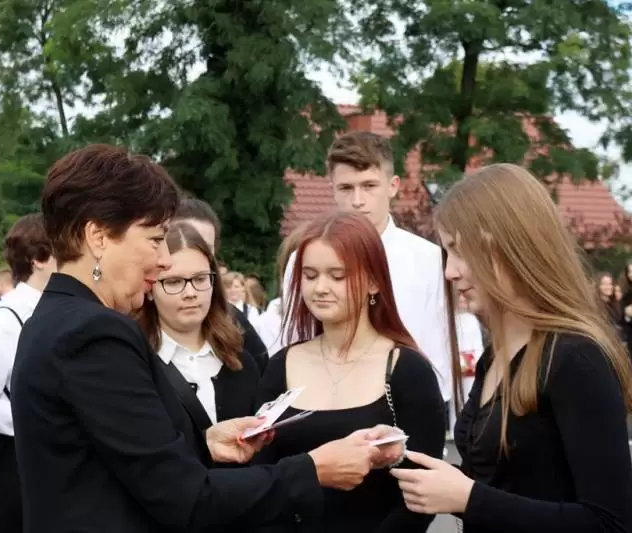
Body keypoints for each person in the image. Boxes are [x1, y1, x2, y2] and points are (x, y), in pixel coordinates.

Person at [10, 144, 405, 533]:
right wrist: (313, 470)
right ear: (98, 237)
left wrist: (203, 444)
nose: (164, 259)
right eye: (154, 239)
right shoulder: (92, 334)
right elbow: (184, 499)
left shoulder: (53, 319)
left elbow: (116, 456)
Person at [391, 164, 632, 533]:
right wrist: (403, 464)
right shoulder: (496, 356)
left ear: (507, 246)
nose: (450, 272)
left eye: (459, 251)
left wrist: (469, 499)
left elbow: (611, 523)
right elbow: (505, 485)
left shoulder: (575, 359)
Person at [254, 211, 445, 532]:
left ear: (373, 281)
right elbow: (261, 475)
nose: (320, 288)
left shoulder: (407, 370)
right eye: (310, 275)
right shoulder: (280, 366)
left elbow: (422, 489)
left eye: (337, 276)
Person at [281, 132, 451, 410]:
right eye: (346, 188)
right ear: (332, 189)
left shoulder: (428, 260)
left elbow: (440, 348)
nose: (358, 200)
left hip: (409, 405)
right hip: (321, 403)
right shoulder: (302, 260)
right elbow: (294, 339)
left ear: (393, 186)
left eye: (369, 186)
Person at [134, 222, 261, 428]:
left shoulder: (241, 361)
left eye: (200, 279)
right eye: (174, 282)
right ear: (149, 289)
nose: (190, 293)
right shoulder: (133, 363)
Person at [0, 214, 56, 533]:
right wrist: (44, 419)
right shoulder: (3, 321)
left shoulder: (66, 306)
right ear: (38, 259)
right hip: (16, 460)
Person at [172, 197, 270, 372]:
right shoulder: (135, 331)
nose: (194, 255)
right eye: (184, 242)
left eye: (204, 248)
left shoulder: (235, 324)